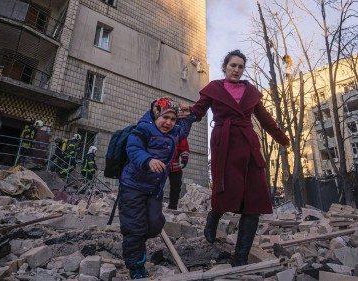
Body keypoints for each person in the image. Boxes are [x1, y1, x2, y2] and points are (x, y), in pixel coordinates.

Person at [185, 50, 290, 266]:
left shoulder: (251, 91)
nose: (236, 69)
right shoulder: (214, 88)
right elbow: (198, 111)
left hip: (249, 148)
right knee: (226, 191)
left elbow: (266, 119)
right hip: (225, 145)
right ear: (225, 67)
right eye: (233, 65)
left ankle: (240, 257)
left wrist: (284, 139)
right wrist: (181, 119)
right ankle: (214, 215)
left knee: (254, 201)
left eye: (240, 66)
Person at [118, 97, 195, 279]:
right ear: (156, 115)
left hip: (153, 190)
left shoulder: (174, 132)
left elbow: (184, 129)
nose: (168, 122)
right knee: (134, 228)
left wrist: (189, 115)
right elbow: (133, 148)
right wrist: (147, 160)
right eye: (164, 117)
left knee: (154, 226)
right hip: (132, 187)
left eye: (173, 119)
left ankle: (137, 243)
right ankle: (136, 266)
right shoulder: (143, 128)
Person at [167, 137, 190, 210]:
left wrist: (184, 158)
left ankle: (172, 207)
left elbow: (183, 145)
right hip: (160, 164)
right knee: (156, 186)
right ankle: (153, 206)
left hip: (175, 165)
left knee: (176, 186)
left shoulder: (179, 132)